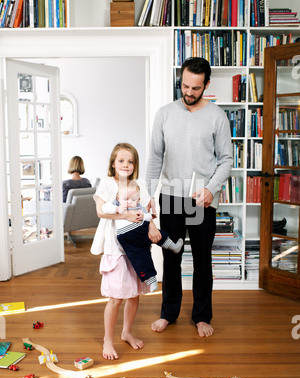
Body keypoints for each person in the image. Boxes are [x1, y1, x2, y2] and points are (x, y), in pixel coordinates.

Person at [146, 57, 233, 338]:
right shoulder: (164, 114)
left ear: (206, 85)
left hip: (201, 199)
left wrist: (211, 189)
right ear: (180, 81)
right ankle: (168, 313)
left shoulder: (217, 116)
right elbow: (155, 158)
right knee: (171, 257)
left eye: (196, 88)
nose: (189, 92)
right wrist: (149, 195)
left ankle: (202, 316)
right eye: (185, 86)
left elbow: (227, 160)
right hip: (171, 198)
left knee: (201, 259)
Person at [91, 143, 161, 360]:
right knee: (116, 298)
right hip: (116, 249)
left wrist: (152, 226)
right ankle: (107, 340)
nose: (126, 165)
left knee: (134, 294)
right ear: (113, 164)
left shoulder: (139, 184)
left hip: (138, 248)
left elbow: (149, 207)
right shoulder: (107, 184)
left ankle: (126, 332)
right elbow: (101, 212)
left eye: (130, 161)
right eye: (121, 160)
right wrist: (126, 216)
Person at [102, 181, 184, 293]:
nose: (129, 202)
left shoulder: (139, 207)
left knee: (158, 235)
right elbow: (104, 208)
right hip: (126, 235)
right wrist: (116, 209)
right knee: (139, 258)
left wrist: (148, 216)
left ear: (138, 200)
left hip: (141, 229)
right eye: (126, 199)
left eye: (133, 199)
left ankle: (172, 246)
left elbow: (147, 217)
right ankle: (151, 280)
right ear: (118, 198)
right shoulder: (116, 205)